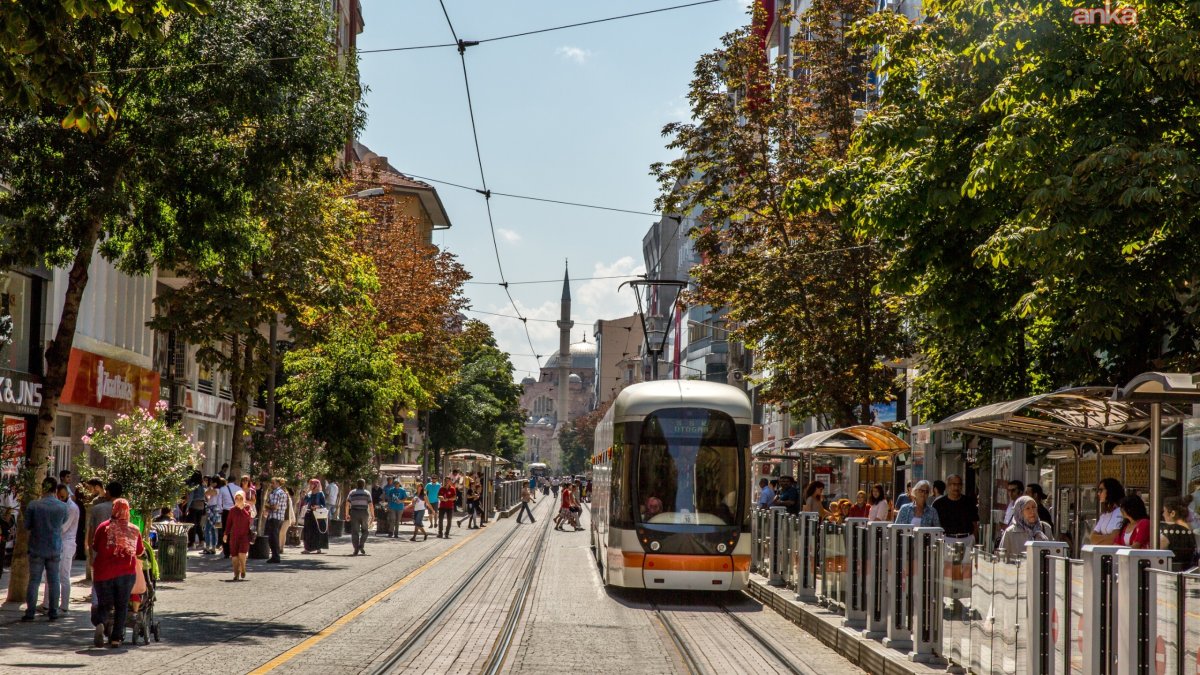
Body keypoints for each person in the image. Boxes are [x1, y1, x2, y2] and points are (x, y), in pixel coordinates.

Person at [91, 498, 144, 648]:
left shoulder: (103, 527)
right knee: (121, 605)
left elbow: (95, 547)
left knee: (104, 603)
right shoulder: (134, 529)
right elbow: (139, 551)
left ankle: (101, 623)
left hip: (103, 573)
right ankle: (116, 638)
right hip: (125, 573)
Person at [23, 476, 68, 622]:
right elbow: (63, 522)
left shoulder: (34, 505)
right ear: (55, 490)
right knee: (54, 580)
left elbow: (27, 525)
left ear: (43, 488)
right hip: (54, 546)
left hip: (36, 546)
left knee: (34, 580)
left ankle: (30, 612)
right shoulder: (62, 507)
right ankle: (53, 612)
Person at [39, 483, 79, 615]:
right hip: (56, 542)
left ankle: (64, 606)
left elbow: (63, 528)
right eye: (59, 495)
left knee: (63, 576)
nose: (60, 498)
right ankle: (47, 604)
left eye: (62, 495)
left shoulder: (72, 508)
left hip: (66, 544)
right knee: (50, 573)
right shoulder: (60, 506)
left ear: (67, 493)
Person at [997, 495, 1052, 561]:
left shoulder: (1045, 528)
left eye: (1034, 507)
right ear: (1020, 512)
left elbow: (1053, 554)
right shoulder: (1010, 532)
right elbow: (1001, 559)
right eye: (1027, 508)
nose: (1032, 511)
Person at [933, 474, 979, 547]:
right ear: (947, 486)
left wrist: (974, 538)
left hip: (967, 540)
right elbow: (935, 526)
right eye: (953, 484)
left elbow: (975, 523)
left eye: (959, 484)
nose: (956, 487)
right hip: (947, 540)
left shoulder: (969, 502)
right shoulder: (938, 504)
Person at [1158, 497, 1196, 571]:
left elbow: (1159, 549)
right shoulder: (1192, 529)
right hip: (1189, 570)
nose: (1163, 514)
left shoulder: (1169, 530)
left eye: (1164, 511)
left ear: (1173, 513)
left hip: (1170, 571)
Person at [224, 490, 253, 580]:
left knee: (242, 553)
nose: (239, 500)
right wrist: (225, 534)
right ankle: (236, 573)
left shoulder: (247, 507)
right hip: (234, 536)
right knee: (234, 556)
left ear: (244, 498)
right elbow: (229, 523)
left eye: (241, 498)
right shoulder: (232, 510)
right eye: (237, 498)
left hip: (244, 535)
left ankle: (243, 568)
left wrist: (242, 509)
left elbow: (248, 518)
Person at [1090, 477, 1126, 545]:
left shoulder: (1121, 512)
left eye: (1101, 490)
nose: (1098, 493)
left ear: (1110, 490)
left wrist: (1101, 539)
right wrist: (1108, 537)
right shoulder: (1104, 515)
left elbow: (1114, 539)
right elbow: (1092, 538)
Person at [345, 479, 374, 555]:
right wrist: (373, 515)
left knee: (355, 531)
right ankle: (361, 544)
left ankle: (356, 549)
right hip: (364, 512)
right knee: (365, 530)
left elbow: (347, 504)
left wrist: (347, 514)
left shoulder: (352, 492)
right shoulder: (367, 493)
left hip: (354, 512)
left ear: (356, 484)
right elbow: (370, 505)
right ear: (364, 485)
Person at [301, 478, 329, 554]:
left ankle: (318, 548)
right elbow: (305, 502)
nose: (310, 485)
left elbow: (323, 505)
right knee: (308, 531)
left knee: (317, 531)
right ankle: (307, 548)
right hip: (309, 514)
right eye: (310, 484)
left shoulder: (320, 493)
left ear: (316, 485)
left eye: (312, 484)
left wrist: (317, 506)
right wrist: (305, 495)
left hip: (317, 515)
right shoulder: (309, 494)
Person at [216, 475, 241, 558]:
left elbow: (219, 501)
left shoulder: (222, 489)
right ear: (235, 480)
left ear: (227, 480)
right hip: (236, 510)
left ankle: (226, 552)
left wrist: (220, 510)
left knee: (226, 531)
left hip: (226, 511)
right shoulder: (239, 489)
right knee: (236, 530)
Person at [265, 478, 288, 564]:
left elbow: (275, 507)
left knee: (273, 537)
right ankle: (275, 555)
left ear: (278, 483)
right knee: (274, 536)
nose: (271, 484)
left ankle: (276, 556)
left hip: (274, 517)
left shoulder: (276, 493)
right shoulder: (282, 492)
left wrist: (266, 505)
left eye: (273, 483)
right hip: (279, 517)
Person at [185, 476, 207, 549]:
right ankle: (202, 541)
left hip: (194, 505)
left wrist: (187, 507)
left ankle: (192, 542)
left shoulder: (193, 485)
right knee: (198, 524)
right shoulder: (202, 485)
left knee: (192, 525)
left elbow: (191, 496)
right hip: (201, 506)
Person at [203, 477, 221, 555]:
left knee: (207, 529)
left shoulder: (217, 490)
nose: (211, 483)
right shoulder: (214, 489)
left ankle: (208, 547)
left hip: (214, 510)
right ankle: (213, 547)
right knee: (213, 529)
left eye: (212, 482)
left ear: (216, 483)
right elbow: (206, 495)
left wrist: (210, 487)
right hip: (212, 509)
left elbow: (207, 493)